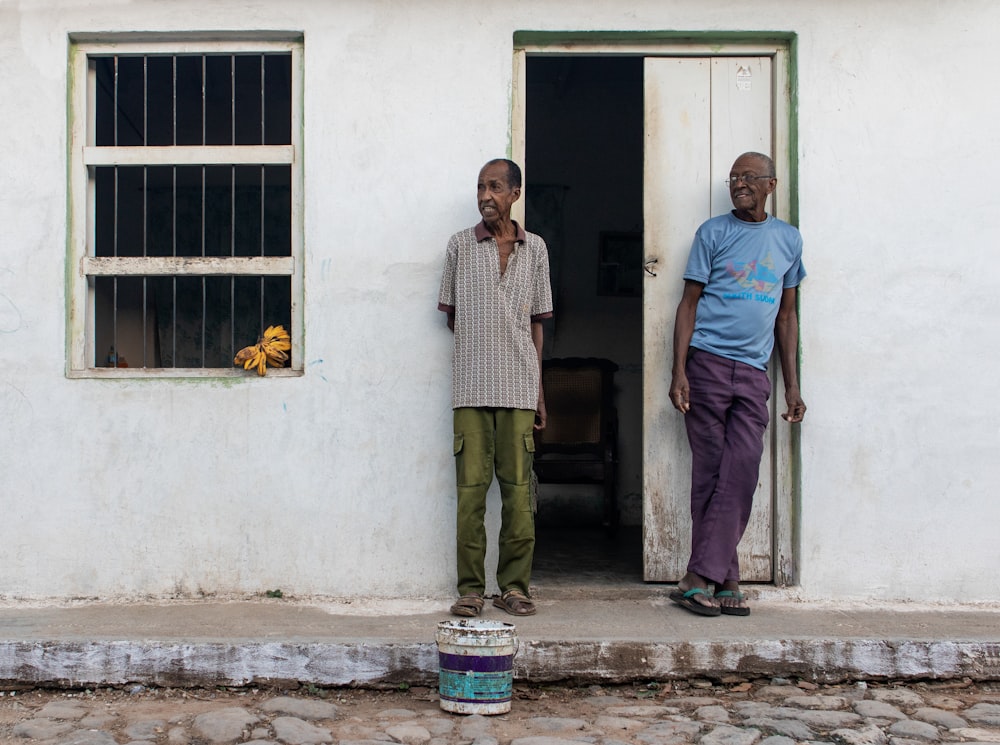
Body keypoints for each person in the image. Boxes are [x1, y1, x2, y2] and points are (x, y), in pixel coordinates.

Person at [668, 152, 806, 617]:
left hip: (752, 371)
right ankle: (725, 579)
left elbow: (786, 317)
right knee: (709, 474)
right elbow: (689, 304)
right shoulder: (713, 233)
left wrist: (791, 386)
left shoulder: (788, 240)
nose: (738, 184)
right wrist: (679, 371)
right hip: (706, 364)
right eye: (733, 178)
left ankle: (698, 576)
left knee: (742, 470)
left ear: (770, 185)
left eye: (748, 178)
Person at [437, 159, 553, 617]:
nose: (486, 195)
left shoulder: (537, 249)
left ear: (515, 194)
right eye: (480, 187)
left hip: (520, 392)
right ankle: (469, 589)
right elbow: (452, 317)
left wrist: (538, 390)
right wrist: (481, 353)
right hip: (470, 390)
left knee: (519, 496)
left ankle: (514, 587)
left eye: (495, 187)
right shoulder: (460, 246)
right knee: (470, 495)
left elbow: (538, 326)